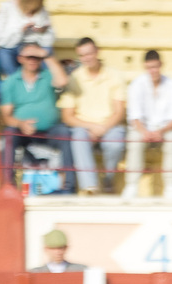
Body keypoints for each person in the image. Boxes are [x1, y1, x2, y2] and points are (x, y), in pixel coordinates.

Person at [0, 41, 75, 194]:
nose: (33, 60)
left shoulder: (49, 76)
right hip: (23, 133)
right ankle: (8, 186)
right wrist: (20, 124)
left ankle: (69, 186)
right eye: (29, 57)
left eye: (36, 57)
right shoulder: (10, 82)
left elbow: (62, 80)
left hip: (50, 131)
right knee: (8, 135)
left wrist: (46, 54)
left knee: (66, 133)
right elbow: (6, 117)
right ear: (20, 58)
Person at [59, 37, 126, 195]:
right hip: (85, 127)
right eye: (82, 55)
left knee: (115, 143)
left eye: (89, 54)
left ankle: (109, 178)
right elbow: (67, 116)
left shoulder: (114, 75)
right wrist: (92, 127)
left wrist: (102, 128)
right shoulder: (74, 78)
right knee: (78, 137)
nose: (86, 58)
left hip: (110, 125)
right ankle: (90, 187)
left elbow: (119, 112)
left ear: (97, 52)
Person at [123, 49, 172, 199]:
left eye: (155, 67)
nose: (153, 71)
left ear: (161, 65)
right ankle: (132, 186)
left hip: (164, 129)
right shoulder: (136, 85)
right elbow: (134, 117)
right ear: (144, 67)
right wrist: (145, 132)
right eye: (149, 67)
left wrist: (160, 132)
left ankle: (171, 186)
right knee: (134, 139)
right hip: (143, 129)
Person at [0, 0, 54, 77]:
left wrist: (43, 31)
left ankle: (45, 80)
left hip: (34, 45)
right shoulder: (7, 7)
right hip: (11, 46)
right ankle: (15, 81)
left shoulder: (41, 8)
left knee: (47, 50)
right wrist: (20, 30)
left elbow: (49, 41)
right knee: (4, 53)